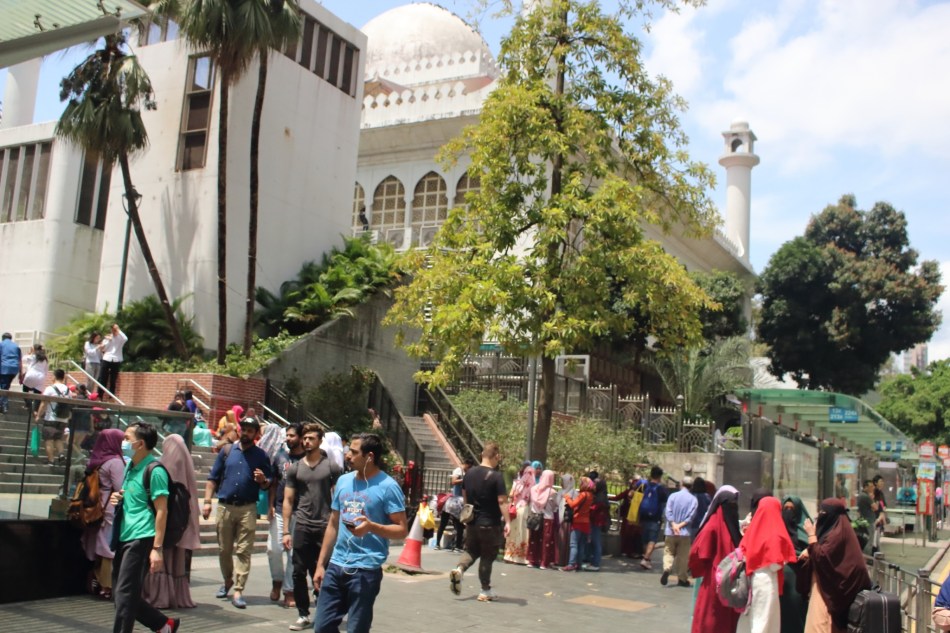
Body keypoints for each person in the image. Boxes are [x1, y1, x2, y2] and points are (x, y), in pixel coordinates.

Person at [313, 433, 407, 631]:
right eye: (349, 451)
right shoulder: (343, 481)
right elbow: (333, 523)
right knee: (322, 627)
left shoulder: (388, 487)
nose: (348, 456)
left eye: (354, 452)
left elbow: (401, 530)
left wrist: (372, 526)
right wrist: (321, 564)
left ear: (369, 456)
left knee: (356, 629)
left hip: (365, 570)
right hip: (337, 565)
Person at [109, 422, 179, 633]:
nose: (123, 442)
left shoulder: (155, 471)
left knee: (124, 596)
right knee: (121, 595)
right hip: (124, 535)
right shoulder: (130, 467)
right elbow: (133, 496)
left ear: (140, 444)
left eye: (127, 438)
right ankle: (163, 625)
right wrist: (117, 497)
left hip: (141, 538)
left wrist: (156, 549)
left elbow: (162, 511)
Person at [203, 417, 272, 609]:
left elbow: (268, 483)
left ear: (256, 434)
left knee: (244, 550)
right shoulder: (226, 451)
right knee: (224, 549)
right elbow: (212, 479)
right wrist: (207, 502)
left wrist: (262, 480)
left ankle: (239, 589)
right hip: (225, 507)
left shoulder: (261, 456)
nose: (247, 433)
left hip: (247, 509)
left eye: (251, 431)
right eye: (245, 429)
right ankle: (227, 580)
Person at [282, 423, 342, 631]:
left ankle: (323, 611)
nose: (307, 441)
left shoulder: (332, 467)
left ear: (320, 441)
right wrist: (286, 530)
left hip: (325, 526)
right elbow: (288, 501)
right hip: (302, 525)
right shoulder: (296, 468)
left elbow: (340, 497)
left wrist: (338, 524)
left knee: (322, 570)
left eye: (311, 438)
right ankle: (303, 613)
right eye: (305, 438)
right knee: (298, 572)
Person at [142, 434, 201, 609]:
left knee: (163, 560)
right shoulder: (186, 467)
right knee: (177, 562)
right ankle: (177, 595)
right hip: (181, 525)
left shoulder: (164, 465)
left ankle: (159, 595)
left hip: (166, 525)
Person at [450, 441, 510, 601]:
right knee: (487, 556)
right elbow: (502, 501)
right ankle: (485, 590)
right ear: (496, 456)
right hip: (490, 523)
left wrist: (467, 511)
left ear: (482, 455)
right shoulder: (497, 476)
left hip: (472, 521)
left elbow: (464, 494)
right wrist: (509, 522)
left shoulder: (469, 473)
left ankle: (459, 569)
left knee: (471, 550)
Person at [800, 498, 872, 633]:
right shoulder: (836, 529)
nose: (821, 515)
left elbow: (822, 556)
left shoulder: (837, 533)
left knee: (820, 625)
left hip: (831, 593)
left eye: (824, 512)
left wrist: (811, 534)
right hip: (824, 588)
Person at [738, 496, 797, 633]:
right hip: (768, 580)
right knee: (765, 620)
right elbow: (775, 564)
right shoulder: (774, 533)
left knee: (756, 618)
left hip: (754, 578)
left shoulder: (753, 529)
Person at [689, 485, 742, 633]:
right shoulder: (712, 525)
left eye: (734, 505)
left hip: (726, 581)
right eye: (730, 504)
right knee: (712, 619)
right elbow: (700, 552)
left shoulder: (727, 524)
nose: (733, 508)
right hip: (715, 581)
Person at [81, 428, 125, 601]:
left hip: (95, 506)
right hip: (110, 507)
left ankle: (98, 581)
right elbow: (121, 486)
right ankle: (106, 585)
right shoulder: (115, 462)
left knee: (99, 544)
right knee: (108, 548)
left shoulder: (96, 459)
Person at [269, 422, 303, 608]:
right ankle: (277, 580)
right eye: (287, 435)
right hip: (280, 508)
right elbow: (274, 482)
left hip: (300, 511)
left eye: (292, 436)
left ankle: (289, 591)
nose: (288, 439)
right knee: (273, 548)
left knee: (293, 554)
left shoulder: (307, 459)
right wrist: (270, 505)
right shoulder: (279, 457)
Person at [780, 495, 812, 633]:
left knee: (798, 615)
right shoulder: (778, 529)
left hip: (800, 582)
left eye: (792, 509)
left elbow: (816, 550)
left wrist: (808, 551)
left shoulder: (807, 531)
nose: (788, 512)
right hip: (781, 581)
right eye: (785, 508)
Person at [661, 476, 699, 587]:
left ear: (682, 483)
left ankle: (667, 568)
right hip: (684, 532)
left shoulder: (672, 496)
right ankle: (682, 578)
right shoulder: (693, 499)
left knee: (668, 552)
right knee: (683, 557)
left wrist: (673, 525)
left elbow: (668, 512)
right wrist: (680, 526)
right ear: (691, 486)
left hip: (670, 531)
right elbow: (691, 517)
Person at [436, 457, 474, 551]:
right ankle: (437, 543)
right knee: (443, 522)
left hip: (461, 502)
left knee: (459, 524)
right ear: (465, 464)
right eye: (467, 467)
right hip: (453, 501)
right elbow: (453, 481)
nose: (468, 469)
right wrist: (464, 480)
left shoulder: (469, 473)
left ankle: (458, 546)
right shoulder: (458, 471)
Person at [34, 368, 70, 466]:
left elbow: (43, 403)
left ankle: (51, 461)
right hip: (63, 419)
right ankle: (61, 455)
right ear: (63, 377)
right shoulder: (68, 390)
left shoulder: (50, 388)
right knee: (58, 439)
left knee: (49, 440)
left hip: (51, 419)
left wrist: (38, 415)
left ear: (54, 376)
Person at [639, 465, 670, 570]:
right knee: (652, 539)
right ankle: (646, 559)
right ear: (659, 476)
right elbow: (666, 501)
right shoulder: (661, 489)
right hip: (655, 517)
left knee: (645, 540)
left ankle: (647, 559)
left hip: (643, 516)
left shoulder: (644, 485)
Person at [526, 469, 558, 569]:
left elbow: (531, 503)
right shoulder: (552, 492)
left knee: (534, 539)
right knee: (546, 541)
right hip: (547, 518)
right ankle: (543, 563)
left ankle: (532, 561)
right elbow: (555, 506)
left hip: (535, 517)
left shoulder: (533, 489)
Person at [504, 464, 534, 564]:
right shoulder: (532, 486)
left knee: (513, 532)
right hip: (525, 509)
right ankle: (520, 557)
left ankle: (510, 555)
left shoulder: (517, 483)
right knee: (522, 533)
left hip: (515, 509)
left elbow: (512, 494)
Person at [563, 476, 594, 572]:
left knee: (574, 544)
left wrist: (567, 498)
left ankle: (571, 564)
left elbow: (572, 504)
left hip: (578, 522)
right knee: (581, 545)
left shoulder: (583, 495)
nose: (580, 484)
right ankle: (578, 564)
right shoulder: (591, 495)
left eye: (581, 483)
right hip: (586, 523)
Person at [610, 477, 644, 559]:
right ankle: (634, 552)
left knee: (627, 534)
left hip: (628, 517)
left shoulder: (629, 492)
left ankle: (627, 551)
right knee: (635, 535)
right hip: (637, 518)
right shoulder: (642, 494)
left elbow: (617, 498)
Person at [97, 323, 127, 398]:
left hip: (116, 360)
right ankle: (100, 395)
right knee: (102, 378)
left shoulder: (120, 339)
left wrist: (118, 329)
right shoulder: (107, 338)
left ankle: (111, 396)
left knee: (113, 380)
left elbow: (125, 338)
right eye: (114, 329)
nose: (115, 331)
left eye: (116, 329)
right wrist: (108, 341)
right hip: (107, 358)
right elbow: (103, 349)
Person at [556, 473, 576, 567]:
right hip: (561, 517)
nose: (561, 483)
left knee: (567, 539)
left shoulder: (573, 492)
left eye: (563, 481)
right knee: (561, 538)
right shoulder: (561, 491)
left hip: (568, 518)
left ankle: (565, 560)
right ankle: (559, 559)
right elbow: (557, 502)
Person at [0, 332, 22, 414]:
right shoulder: (16, 346)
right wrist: (21, 373)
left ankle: (4, 406)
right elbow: (20, 361)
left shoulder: (1, 344)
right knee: (5, 386)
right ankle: (2, 404)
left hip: (4, 368)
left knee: (4, 387)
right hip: (14, 369)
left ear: (3, 338)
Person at [856, 479, 879, 554]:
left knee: (865, 538)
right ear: (865, 487)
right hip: (868, 521)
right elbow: (875, 507)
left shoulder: (861, 495)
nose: (872, 488)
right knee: (870, 541)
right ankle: (867, 558)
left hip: (863, 520)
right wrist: (873, 501)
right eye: (871, 486)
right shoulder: (866, 497)